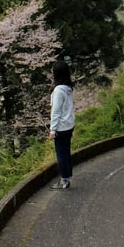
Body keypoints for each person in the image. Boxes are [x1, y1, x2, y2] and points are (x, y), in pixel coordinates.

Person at [49, 59, 75, 190]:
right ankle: (67, 177)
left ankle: (64, 181)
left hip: (61, 127)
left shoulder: (59, 90)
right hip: (69, 124)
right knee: (66, 153)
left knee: (61, 155)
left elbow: (56, 111)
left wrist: (52, 130)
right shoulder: (68, 87)